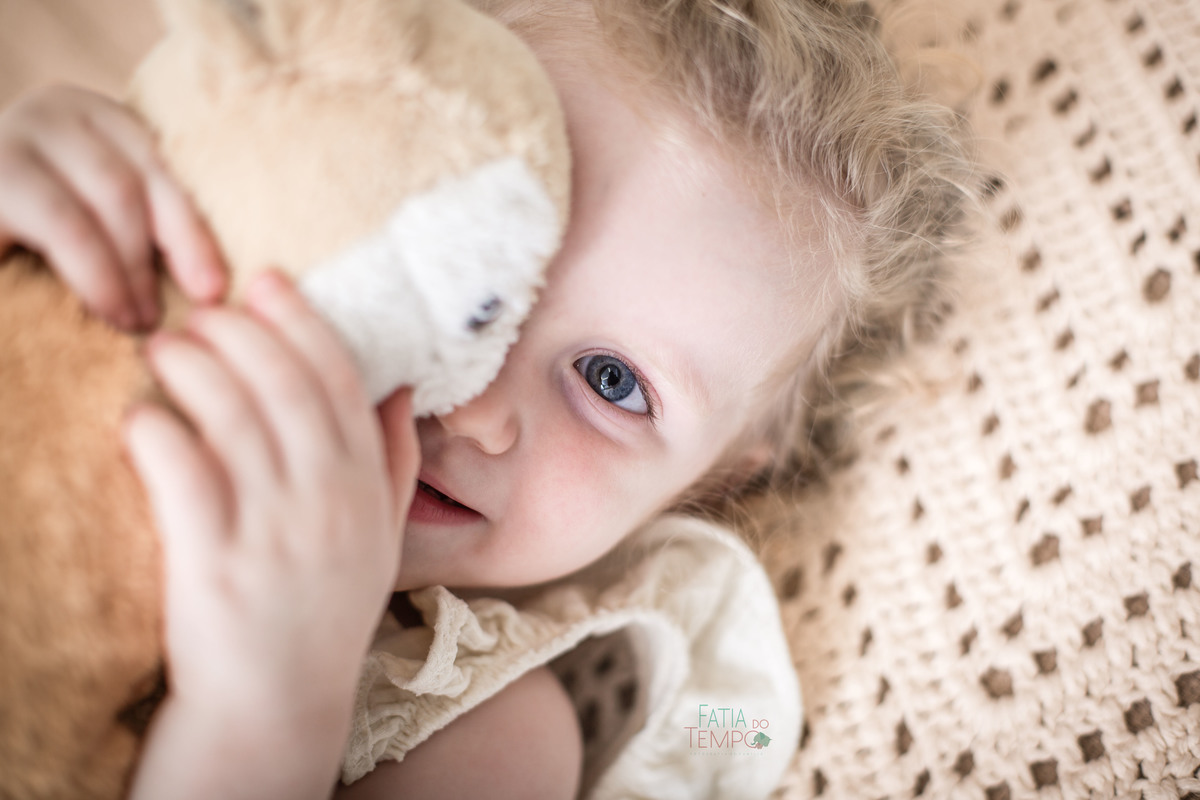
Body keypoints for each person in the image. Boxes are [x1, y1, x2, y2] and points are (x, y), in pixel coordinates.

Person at [0, 0, 971, 797]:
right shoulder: (174, 263)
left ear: (712, 479)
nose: (471, 405)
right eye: (462, 275)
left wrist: (265, 716)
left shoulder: (488, 732)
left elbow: (756, 717)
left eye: (611, 381)